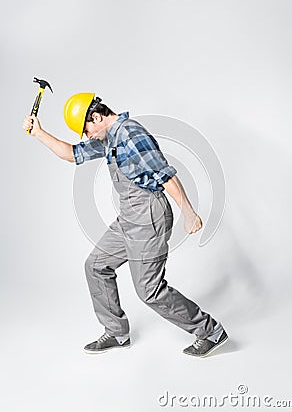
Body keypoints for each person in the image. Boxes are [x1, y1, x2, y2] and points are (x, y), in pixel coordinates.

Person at [22, 92, 228, 357]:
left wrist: (188, 212)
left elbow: (165, 175)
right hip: (129, 218)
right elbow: (72, 154)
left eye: (85, 129)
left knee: (149, 291)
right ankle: (117, 333)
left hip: (149, 217)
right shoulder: (109, 138)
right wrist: (39, 133)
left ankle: (210, 331)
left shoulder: (130, 134)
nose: (86, 136)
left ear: (96, 117)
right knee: (96, 265)